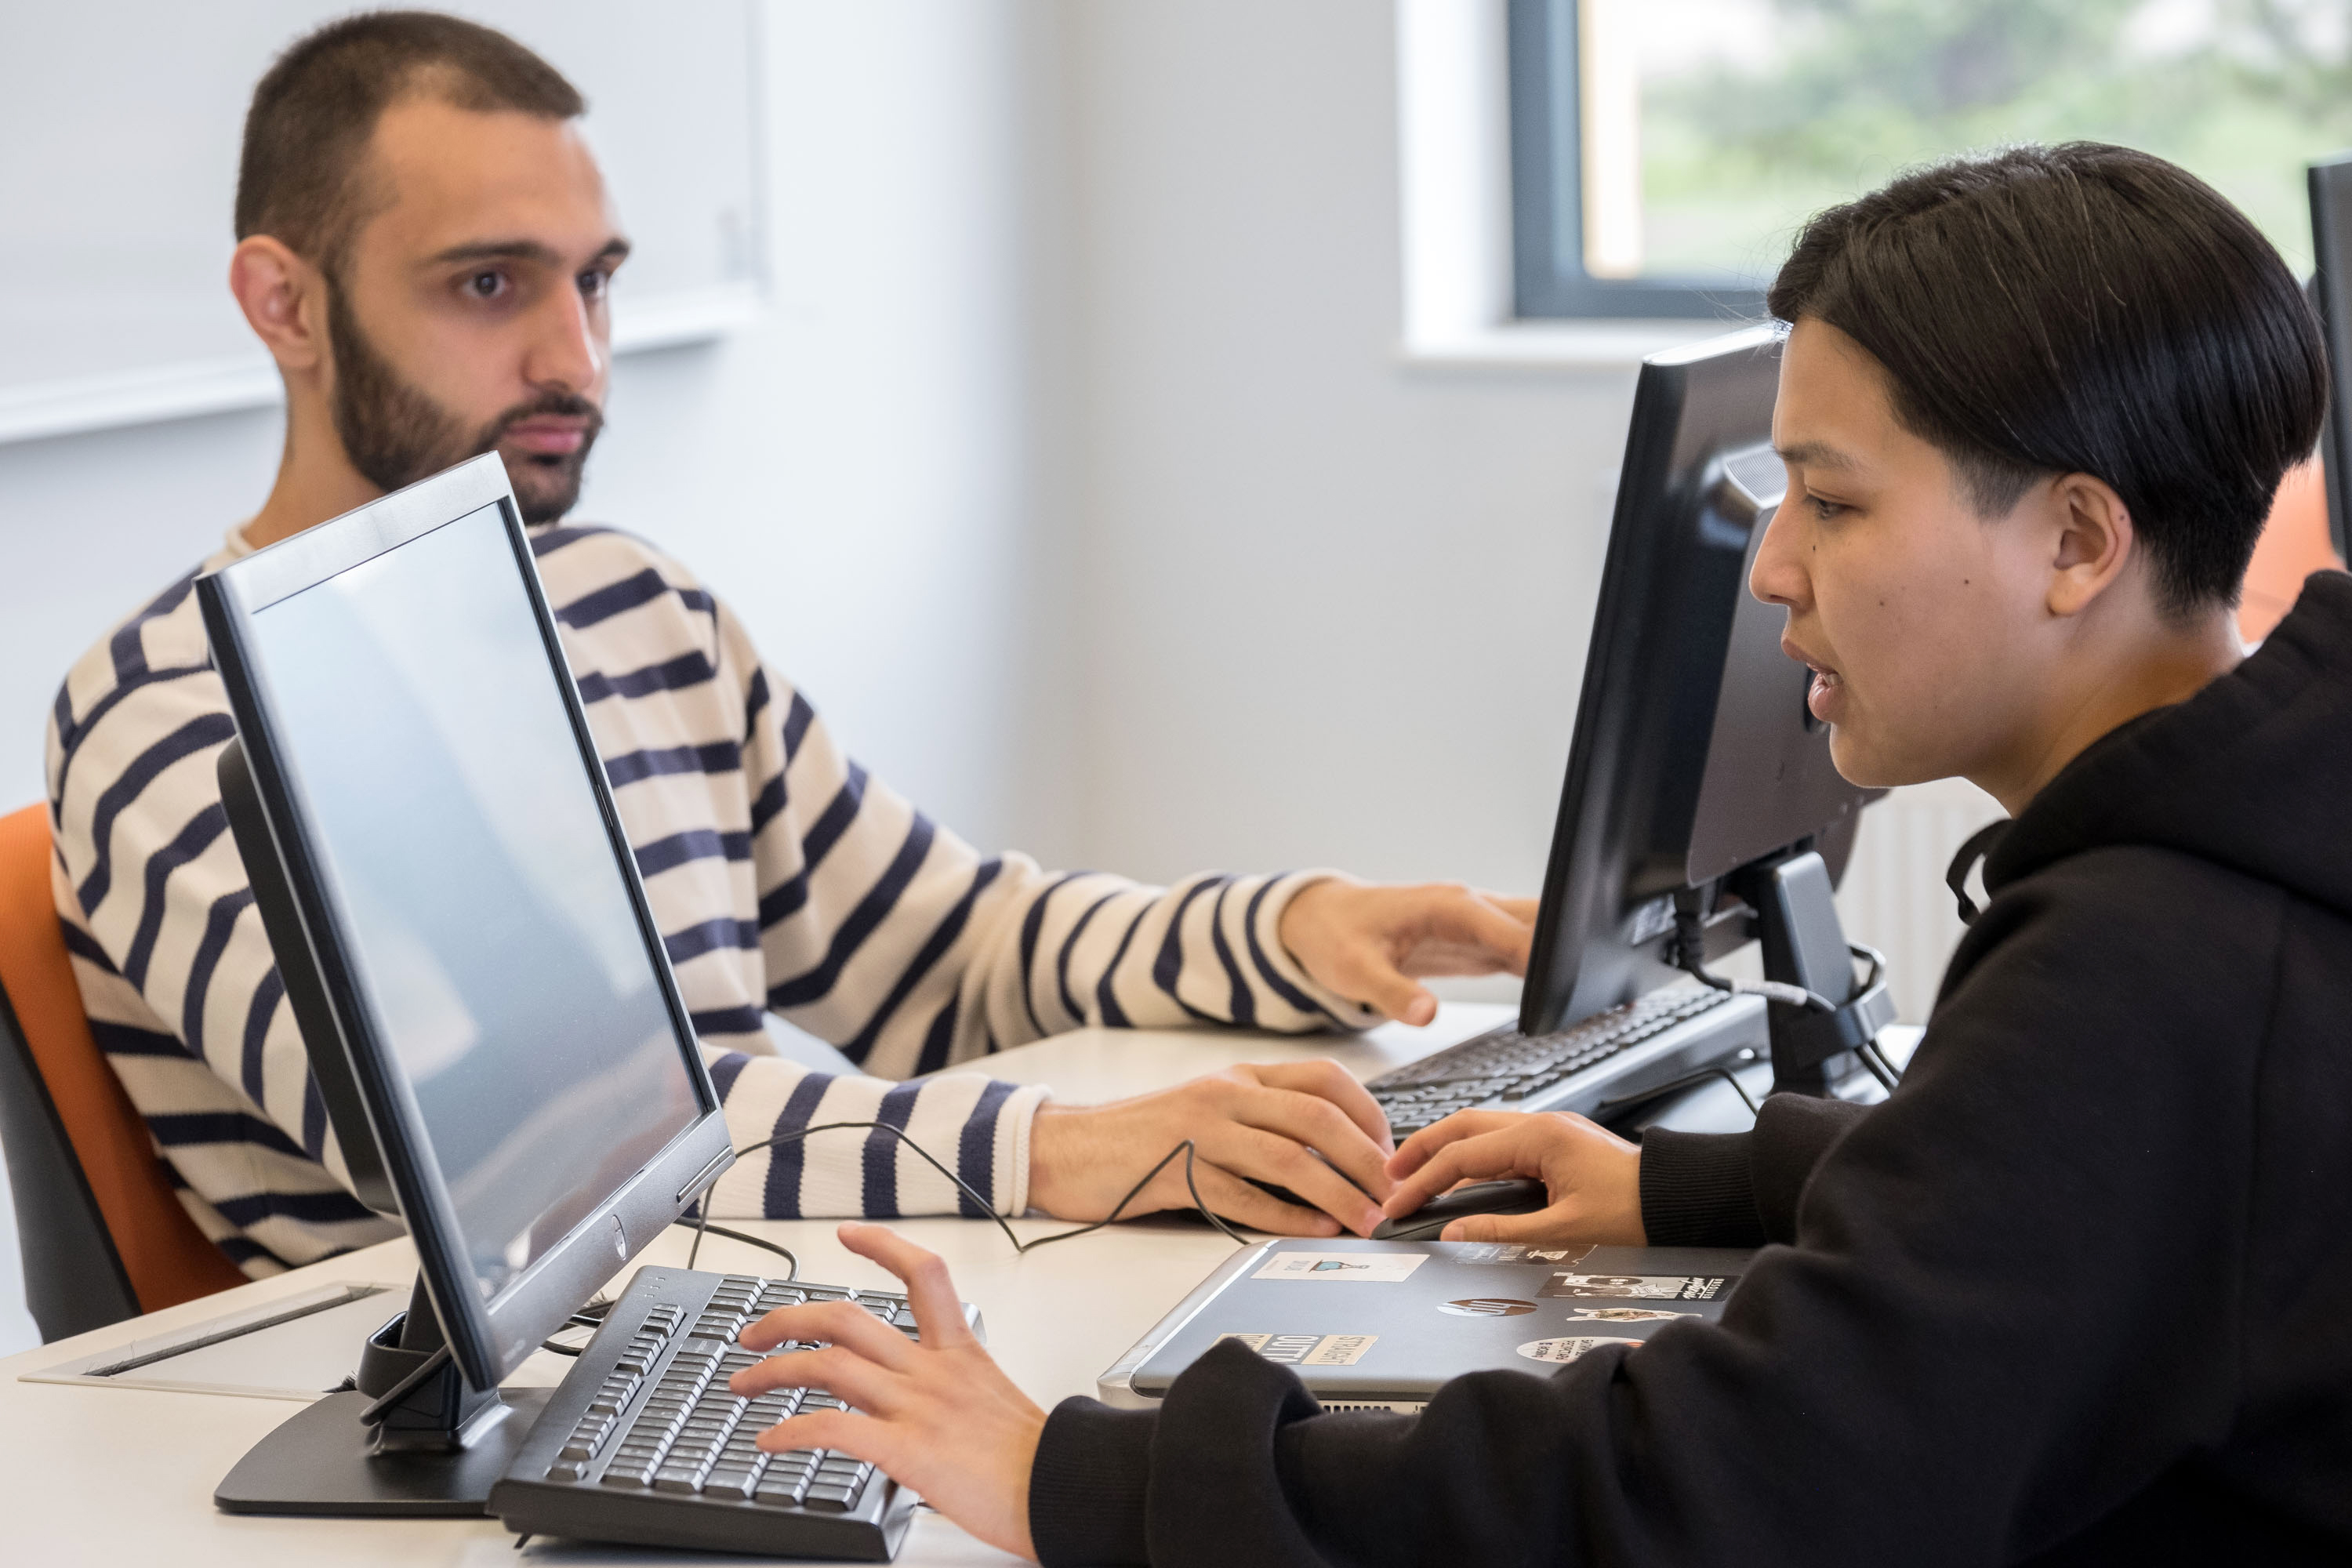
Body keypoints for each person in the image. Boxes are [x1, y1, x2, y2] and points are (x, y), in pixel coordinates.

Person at [726, 143, 2352, 1563]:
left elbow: (1695, 1500)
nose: (1773, 567)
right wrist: (1693, 1182)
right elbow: (2078, 1218)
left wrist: (1069, 1474)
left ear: (2076, 540)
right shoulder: (2248, 852)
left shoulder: (2146, 967)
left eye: (1833, 504)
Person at [44, 13, 1541, 1279]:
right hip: (435, 1462)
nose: (574, 356)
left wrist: (1290, 932)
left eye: (597, 280)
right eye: (490, 285)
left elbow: (949, 955)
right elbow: (521, 1161)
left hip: (716, 1332)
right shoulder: (167, 716)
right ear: (283, 304)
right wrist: (1070, 1152)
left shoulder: (630, 604)